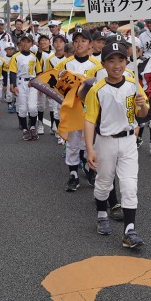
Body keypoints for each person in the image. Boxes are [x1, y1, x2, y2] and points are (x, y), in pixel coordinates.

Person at [84, 37, 150, 248]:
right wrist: (89, 149)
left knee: (130, 185)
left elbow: (142, 112)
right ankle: (102, 213)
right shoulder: (97, 89)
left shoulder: (133, 84)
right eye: (111, 61)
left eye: (121, 60)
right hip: (106, 142)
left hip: (129, 140)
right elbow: (89, 121)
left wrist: (142, 105)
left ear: (126, 62)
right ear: (103, 64)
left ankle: (129, 231)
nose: (117, 65)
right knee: (104, 182)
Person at [55, 27, 101, 191]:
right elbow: (57, 86)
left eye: (83, 40)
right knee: (73, 142)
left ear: (90, 44)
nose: (79, 44)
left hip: (90, 109)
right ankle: (73, 174)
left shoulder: (97, 64)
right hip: (72, 108)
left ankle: (89, 169)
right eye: (76, 41)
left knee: (89, 141)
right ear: (73, 44)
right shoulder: (64, 64)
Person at [8, 34, 42, 141]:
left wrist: (40, 86)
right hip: (20, 82)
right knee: (22, 108)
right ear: (20, 43)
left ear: (32, 44)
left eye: (28, 42)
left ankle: (32, 127)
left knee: (32, 107)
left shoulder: (34, 56)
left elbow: (39, 72)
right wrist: (13, 86)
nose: (25, 44)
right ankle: (24, 130)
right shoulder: (15, 56)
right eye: (23, 41)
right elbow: (13, 72)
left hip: (32, 83)